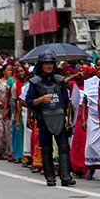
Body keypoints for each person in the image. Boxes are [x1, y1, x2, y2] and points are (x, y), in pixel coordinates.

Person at [26, 49, 76, 187]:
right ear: (41, 65)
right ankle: (50, 177)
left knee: (64, 147)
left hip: (59, 118)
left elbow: (66, 101)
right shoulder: (35, 82)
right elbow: (29, 101)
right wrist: (41, 99)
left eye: (51, 63)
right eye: (45, 63)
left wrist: (68, 119)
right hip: (43, 119)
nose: (48, 66)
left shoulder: (60, 81)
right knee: (46, 148)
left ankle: (65, 176)